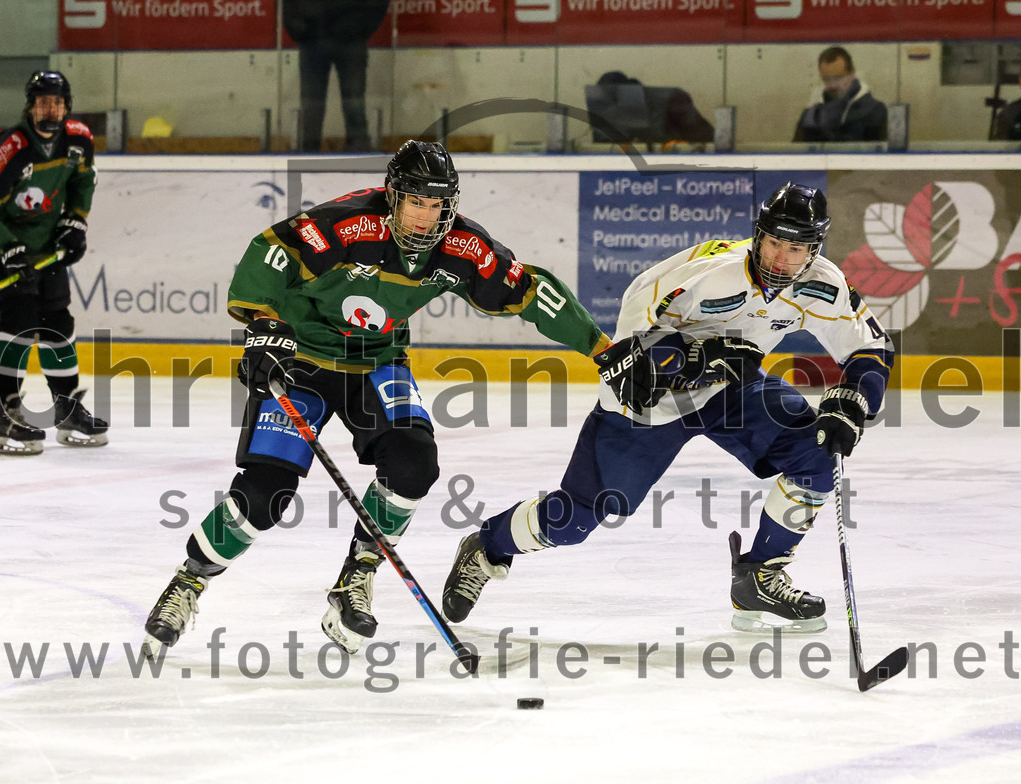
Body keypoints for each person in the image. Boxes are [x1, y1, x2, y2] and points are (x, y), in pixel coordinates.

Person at [141, 140, 611, 656]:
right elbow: (270, 253)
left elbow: (529, 291)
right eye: (416, 202)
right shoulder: (348, 224)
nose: (425, 217)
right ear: (393, 196)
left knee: (414, 464)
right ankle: (188, 583)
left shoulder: (459, 246)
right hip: (302, 361)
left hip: (378, 363)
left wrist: (602, 347)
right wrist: (263, 325)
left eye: (437, 206)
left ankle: (356, 577)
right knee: (264, 494)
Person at [442, 183, 895, 634]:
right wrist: (691, 355)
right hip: (652, 402)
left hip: (730, 392)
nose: (779, 259)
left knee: (817, 455)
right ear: (759, 235)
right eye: (774, 243)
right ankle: (486, 546)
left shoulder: (824, 285)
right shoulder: (711, 273)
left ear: (814, 249)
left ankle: (760, 577)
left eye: (795, 249)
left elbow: (871, 346)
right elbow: (628, 347)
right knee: (576, 519)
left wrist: (854, 400)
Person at [0, 70, 108, 456]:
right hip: (8, 250)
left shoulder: (78, 139)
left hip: (48, 250)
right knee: (19, 324)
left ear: (67, 106)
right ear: (30, 106)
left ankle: (67, 407)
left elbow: (83, 182)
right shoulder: (12, 147)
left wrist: (75, 221)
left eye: (57, 102)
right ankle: (2, 408)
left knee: (58, 322)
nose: (50, 109)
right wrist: (7, 248)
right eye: (43, 101)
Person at [283, 0, 391, 153]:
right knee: (311, 109)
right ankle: (308, 156)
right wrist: (296, 27)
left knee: (354, 105)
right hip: (312, 39)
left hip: (350, 39)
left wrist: (360, 28)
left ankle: (358, 155)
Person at [793, 47, 887, 143]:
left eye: (838, 78)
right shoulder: (813, 114)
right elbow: (797, 151)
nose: (832, 85)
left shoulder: (874, 111)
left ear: (852, 72)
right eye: (826, 79)